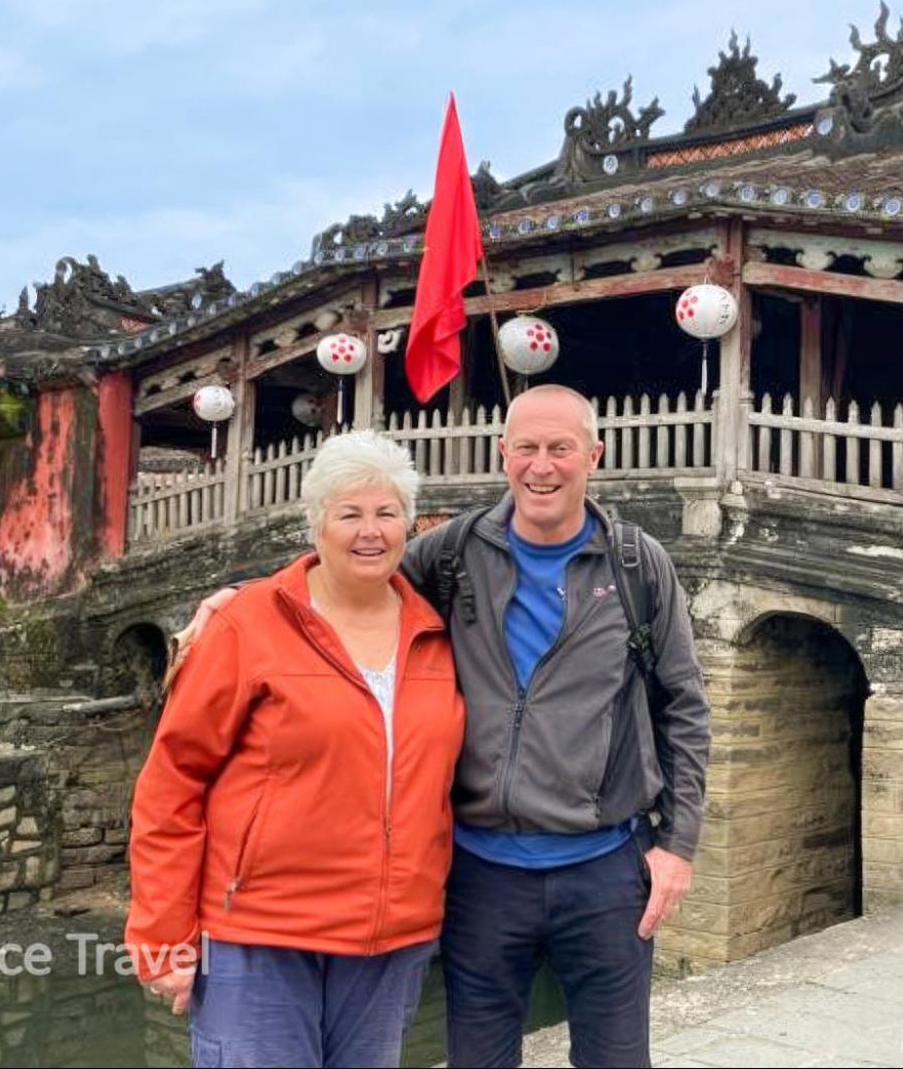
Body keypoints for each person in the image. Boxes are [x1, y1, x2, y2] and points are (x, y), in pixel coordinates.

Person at [176, 384, 710, 1068]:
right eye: (526, 447)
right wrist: (247, 597)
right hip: (481, 872)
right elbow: (351, 568)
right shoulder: (455, 553)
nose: (541, 466)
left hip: (604, 868)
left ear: (593, 455)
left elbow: (684, 705)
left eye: (560, 448)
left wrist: (678, 844)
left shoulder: (637, 566)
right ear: (503, 454)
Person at [126, 431, 465, 1068]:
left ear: (410, 525)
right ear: (314, 524)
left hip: (389, 940)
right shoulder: (247, 624)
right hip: (262, 933)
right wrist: (163, 937)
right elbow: (173, 784)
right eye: (350, 513)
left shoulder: (438, 634)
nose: (371, 531)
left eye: (387, 513)